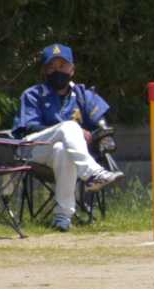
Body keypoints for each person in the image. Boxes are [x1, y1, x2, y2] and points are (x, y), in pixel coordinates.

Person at [13, 43, 123, 232]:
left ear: (72, 69)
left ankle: (63, 217)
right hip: (34, 150)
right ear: (44, 71)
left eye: (62, 66)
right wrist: (70, 130)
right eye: (52, 67)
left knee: (62, 150)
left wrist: (95, 135)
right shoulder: (32, 95)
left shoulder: (82, 95)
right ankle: (92, 173)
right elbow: (28, 127)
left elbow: (101, 127)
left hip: (64, 155)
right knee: (70, 127)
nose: (58, 71)